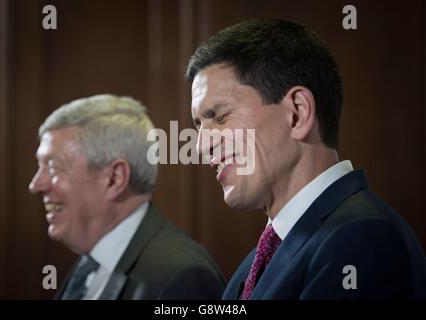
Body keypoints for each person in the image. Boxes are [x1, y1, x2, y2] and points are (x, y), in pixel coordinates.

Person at [186, 18, 426, 299]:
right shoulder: (256, 264)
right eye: (198, 126)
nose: (201, 146)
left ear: (297, 113)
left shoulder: (361, 239)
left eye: (221, 117)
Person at [29, 94, 225, 299]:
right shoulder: (92, 261)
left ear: (114, 178)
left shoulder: (183, 277)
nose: (35, 185)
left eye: (52, 167)